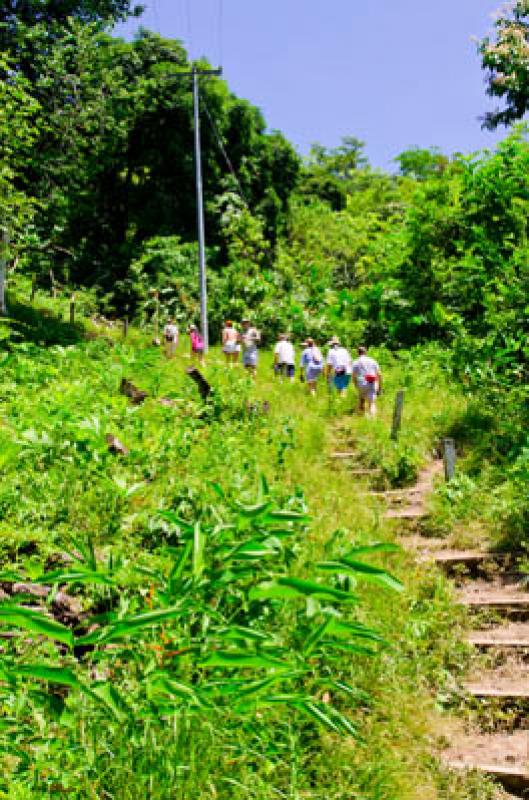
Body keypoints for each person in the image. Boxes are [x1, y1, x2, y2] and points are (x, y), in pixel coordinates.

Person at [352, 346, 382, 417]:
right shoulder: (372, 361)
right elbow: (379, 375)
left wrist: (356, 385)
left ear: (358, 353)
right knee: (372, 403)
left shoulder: (356, 362)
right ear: (366, 352)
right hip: (372, 382)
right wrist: (380, 387)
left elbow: (353, 376)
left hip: (361, 383)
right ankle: (373, 419)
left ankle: (362, 417)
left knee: (361, 400)